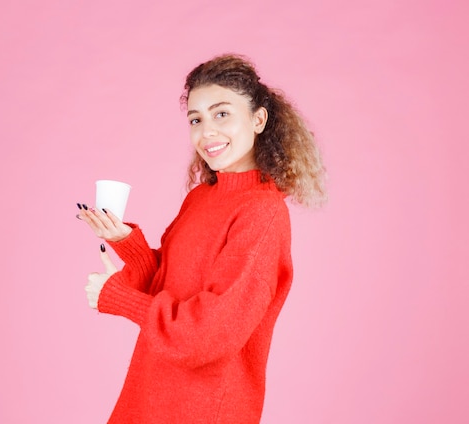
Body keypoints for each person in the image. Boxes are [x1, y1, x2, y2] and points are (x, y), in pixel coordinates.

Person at [76, 54, 326, 424]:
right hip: (153, 389)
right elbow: (169, 286)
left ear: (258, 119)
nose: (206, 132)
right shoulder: (202, 197)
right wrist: (127, 241)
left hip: (204, 408)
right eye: (196, 119)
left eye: (221, 114)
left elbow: (208, 333)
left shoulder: (262, 212)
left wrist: (119, 299)